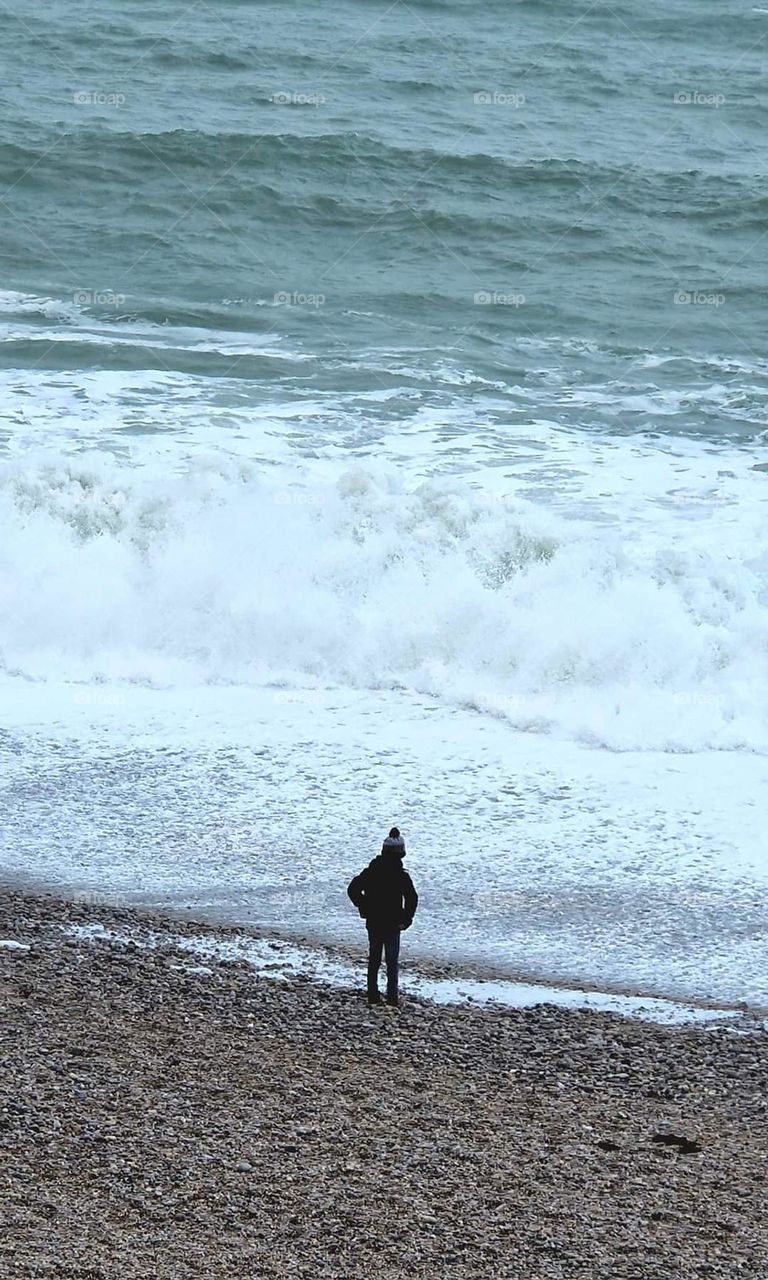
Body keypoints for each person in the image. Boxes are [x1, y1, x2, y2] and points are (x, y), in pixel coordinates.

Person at [347, 827, 418, 1007]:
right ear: (401, 853)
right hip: (393, 922)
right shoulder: (401, 875)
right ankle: (392, 998)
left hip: (374, 920)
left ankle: (373, 995)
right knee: (392, 961)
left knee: (375, 958)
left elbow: (353, 889)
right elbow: (412, 897)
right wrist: (407, 919)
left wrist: (364, 906)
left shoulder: (372, 870)